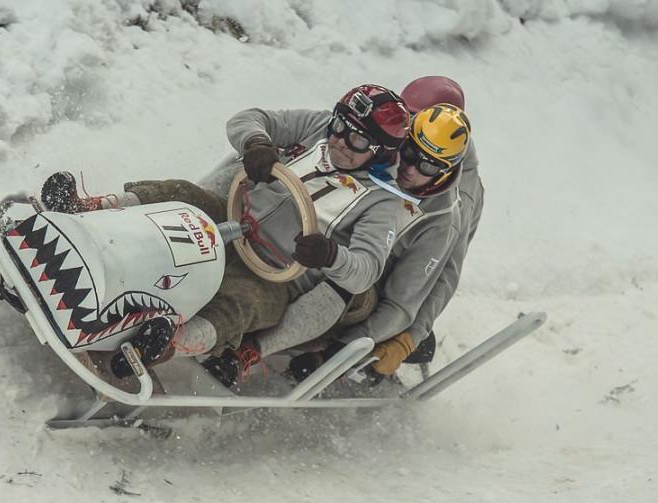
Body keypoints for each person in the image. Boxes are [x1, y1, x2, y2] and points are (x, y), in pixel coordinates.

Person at [39, 84, 412, 384]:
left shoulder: (381, 202)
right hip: (234, 217)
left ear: (379, 152)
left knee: (242, 303)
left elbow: (366, 269)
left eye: (356, 140)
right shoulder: (318, 127)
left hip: (273, 274)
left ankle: (165, 343)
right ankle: (89, 210)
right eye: (340, 127)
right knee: (182, 193)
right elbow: (248, 118)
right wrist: (256, 143)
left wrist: (331, 255)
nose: (340, 140)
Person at [252, 76, 483, 381]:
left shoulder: (451, 209)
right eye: (407, 145)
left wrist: (408, 335)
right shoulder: (380, 138)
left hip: (371, 284)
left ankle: (262, 349)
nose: (409, 167)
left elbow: (443, 274)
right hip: (316, 248)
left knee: (352, 286)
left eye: (427, 165)